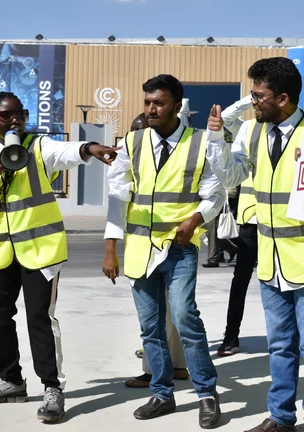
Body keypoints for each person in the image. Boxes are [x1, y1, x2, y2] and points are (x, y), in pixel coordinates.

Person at [0, 92, 119, 423]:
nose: (15, 120)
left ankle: (52, 389)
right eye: (7, 116)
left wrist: (90, 148)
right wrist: (2, 164)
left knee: (40, 319)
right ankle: (11, 381)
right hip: (0, 251)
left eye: (20, 113)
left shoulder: (38, 146)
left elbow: (68, 151)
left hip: (40, 250)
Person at [207, 57, 304, 432]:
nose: (252, 102)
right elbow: (232, 175)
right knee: (280, 346)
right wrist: (216, 137)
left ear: (282, 98)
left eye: (258, 96)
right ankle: (280, 417)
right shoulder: (251, 132)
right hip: (270, 257)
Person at [102, 74, 223, 428]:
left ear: (177, 106)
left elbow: (214, 193)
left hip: (180, 247)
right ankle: (161, 393)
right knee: (150, 326)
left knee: (185, 317)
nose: (151, 109)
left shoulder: (200, 142)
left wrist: (196, 219)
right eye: (147, 103)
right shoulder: (133, 142)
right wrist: (110, 247)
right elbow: (117, 197)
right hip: (140, 248)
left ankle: (206, 394)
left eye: (159, 103)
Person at [123, 113, 190, 388]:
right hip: (142, 246)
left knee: (169, 316)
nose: (140, 135)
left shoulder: (174, 153)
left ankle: (158, 372)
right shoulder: (133, 156)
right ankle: (172, 367)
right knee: (161, 317)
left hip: (171, 246)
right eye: (134, 131)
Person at [213, 95, 260, 355]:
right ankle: (231, 336)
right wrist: (248, 100)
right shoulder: (250, 130)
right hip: (250, 220)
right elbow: (226, 117)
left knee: (280, 284)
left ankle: (288, 337)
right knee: (240, 280)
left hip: (280, 221)